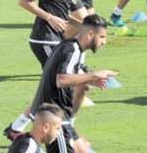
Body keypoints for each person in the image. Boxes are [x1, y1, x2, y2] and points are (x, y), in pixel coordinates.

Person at [4, 0, 87, 140]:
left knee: (60, 87)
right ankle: (67, 134)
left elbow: (57, 8)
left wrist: (80, 25)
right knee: (63, 86)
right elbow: (25, 0)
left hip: (55, 40)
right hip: (45, 41)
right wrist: (49, 17)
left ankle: (17, 128)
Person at [29, 14, 117, 153]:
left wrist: (91, 79)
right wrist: (95, 75)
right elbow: (61, 80)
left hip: (60, 117)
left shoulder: (71, 46)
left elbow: (74, 74)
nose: (104, 42)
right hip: (53, 119)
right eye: (102, 37)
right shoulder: (72, 50)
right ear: (90, 34)